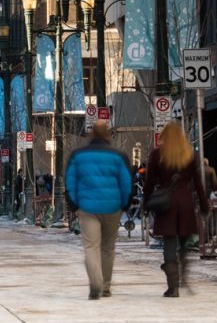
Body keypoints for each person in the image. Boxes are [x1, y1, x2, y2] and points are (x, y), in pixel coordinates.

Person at [64, 121, 133, 300]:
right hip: (112, 207)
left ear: (91, 134)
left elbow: (70, 182)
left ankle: (95, 283)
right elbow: (126, 182)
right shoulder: (118, 156)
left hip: (88, 207)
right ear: (108, 134)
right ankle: (106, 286)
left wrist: (74, 203)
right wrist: (125, 203)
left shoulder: (78, 156)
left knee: (91, 247)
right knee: (108, 248)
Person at [145, 121, 209, 298]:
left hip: (167, 203)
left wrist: (146, 203)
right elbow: (197, 183)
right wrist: (204, 205)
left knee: (169, 243)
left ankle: (173, 286)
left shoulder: (158, 155)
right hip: (185, 202)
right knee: (184, 243)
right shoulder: (189, 154)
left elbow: (149, 183)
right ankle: (182, 277)